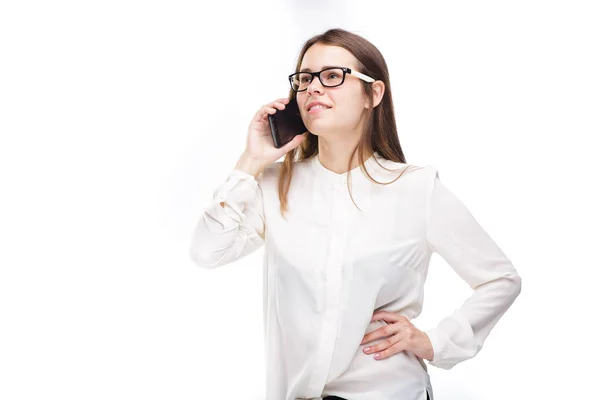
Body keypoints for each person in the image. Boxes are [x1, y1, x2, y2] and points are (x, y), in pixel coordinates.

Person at [189, 28, 522, 400]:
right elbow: (207, 252)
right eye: (304, 79)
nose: (313, 88)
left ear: (373, 94)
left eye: (332, 76)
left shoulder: (415, 188)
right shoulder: (272, 185)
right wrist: (251, 160)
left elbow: (501, 279)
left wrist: (435, 342)